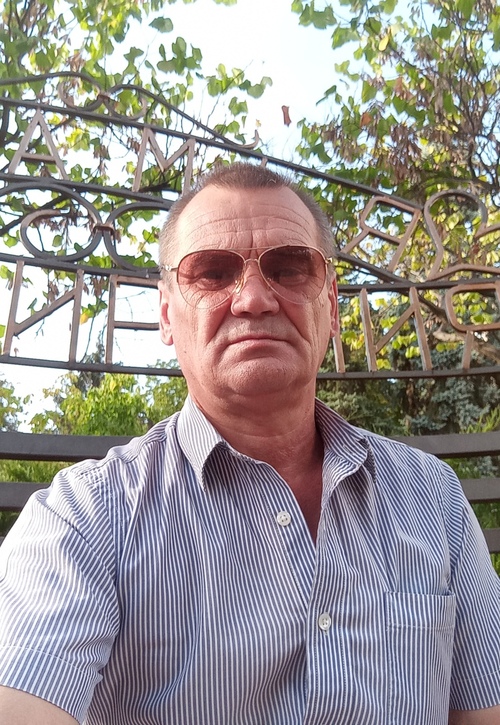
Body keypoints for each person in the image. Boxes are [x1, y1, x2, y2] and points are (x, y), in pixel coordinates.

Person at [0, 162, 499, 725]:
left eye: (290, 268)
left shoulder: (433, 499)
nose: (254, 298)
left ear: (332, 305)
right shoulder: (84, 519)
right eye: (212, 273)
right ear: (166, 316)